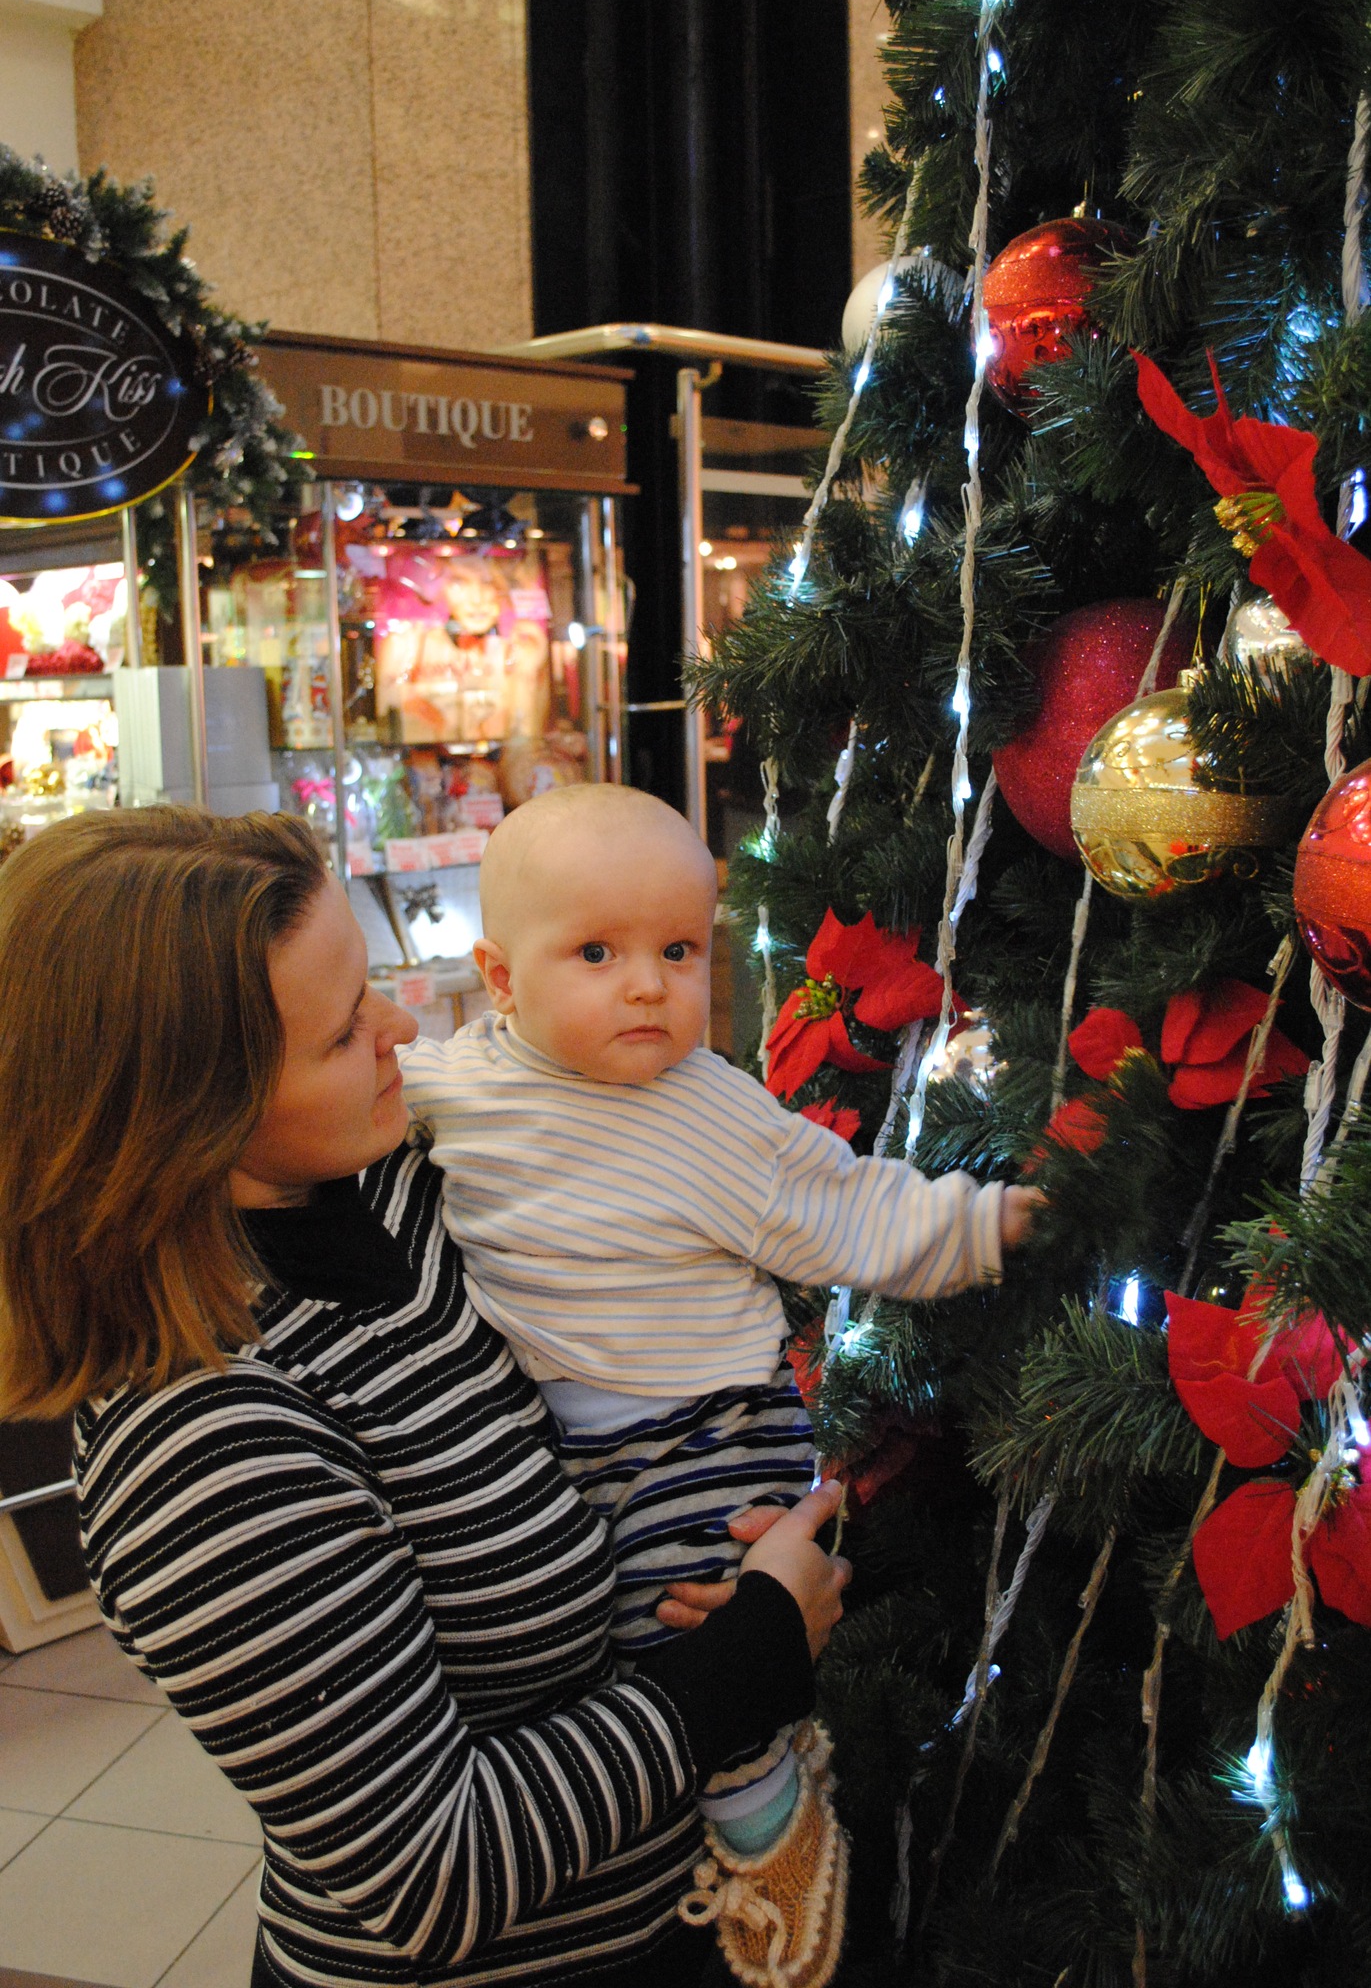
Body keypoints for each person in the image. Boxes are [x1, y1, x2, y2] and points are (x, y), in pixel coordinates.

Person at [0, 806, 851, 1988]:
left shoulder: (400, 1182)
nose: (402, 1025)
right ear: (194, 1114)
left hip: (670, 1915)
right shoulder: (203, 1443)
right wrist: (754, 1648)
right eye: (345, 1029)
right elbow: (425, 1876)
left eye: (371, 984)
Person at [400, 782, 1043, 1987]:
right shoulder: (451, 1088)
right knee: (594, 1627)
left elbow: (844, 1205)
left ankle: (764, 1807)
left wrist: (988, 1222)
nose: (649, 985)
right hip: (561, 1441)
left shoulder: (707, 1106)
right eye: (597, 953)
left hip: (708, 1425)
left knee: (688, 1598)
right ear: (498, 977)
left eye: (680, 950)